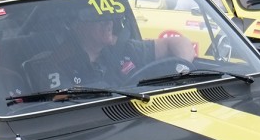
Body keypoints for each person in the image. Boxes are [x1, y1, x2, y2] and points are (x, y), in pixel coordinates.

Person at [35, 7, 195, 90]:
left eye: (111, 17)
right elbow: (60, 106)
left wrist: (182, 72)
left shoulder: (125, 48)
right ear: (77, 26)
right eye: (99, 18)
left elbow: (180, 43)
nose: (109, 23)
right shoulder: (57, 64)